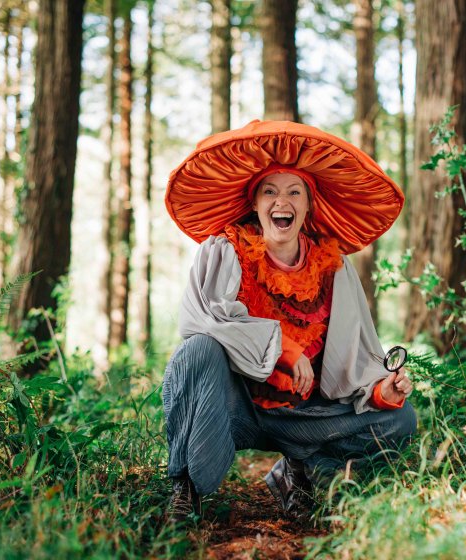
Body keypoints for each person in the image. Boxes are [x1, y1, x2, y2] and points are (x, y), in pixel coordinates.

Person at [162, 120, 417, 521]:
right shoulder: (225, 251)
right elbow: (200, 319)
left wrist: (384, 388)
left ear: (308, 206)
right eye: (270, 191)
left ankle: (303, 473)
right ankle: (186, 486)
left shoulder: (334, 266)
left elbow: (356, 351)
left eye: (293, 191)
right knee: (195, 351)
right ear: (256, 204)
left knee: (399, 418)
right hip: (236, 407)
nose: (282, 201)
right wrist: (282, 347)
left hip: (305, 413)